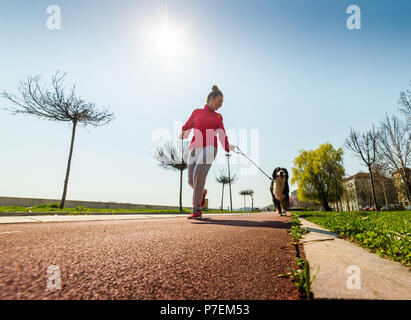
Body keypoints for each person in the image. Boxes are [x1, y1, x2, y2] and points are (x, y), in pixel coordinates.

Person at [179, 85, 235, 219]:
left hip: (210, 147)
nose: (221, 104)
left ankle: (197, 210)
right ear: (211, 98)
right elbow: (187, 126)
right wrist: (184, 132)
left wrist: (227, 146)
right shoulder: (196, 112)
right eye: (219, 101)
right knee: (191, 180)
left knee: (199, 172)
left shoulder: (218, 117)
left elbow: (221, 132)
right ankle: (202, 192)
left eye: (222, 102)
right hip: (194, 146)